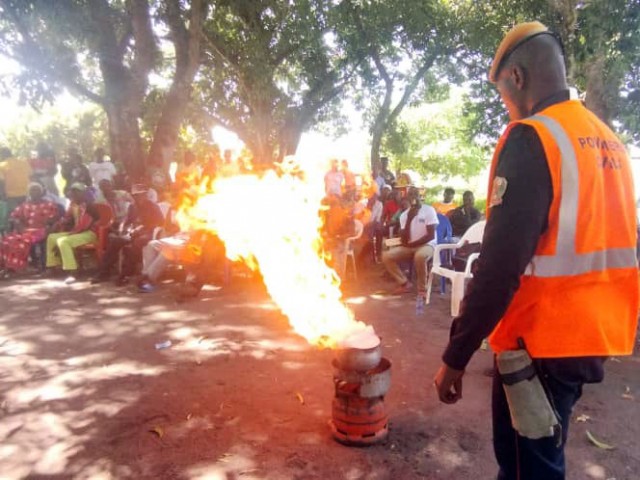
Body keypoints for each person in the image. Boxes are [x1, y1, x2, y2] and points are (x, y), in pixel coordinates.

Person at [433, 22, 638, 480]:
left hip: (540, 343)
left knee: (530, 470)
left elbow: (500, 266)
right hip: (593, 335)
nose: (506, 108)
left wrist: (455, 356)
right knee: (539, 460)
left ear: (518, 78)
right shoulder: (610, 143)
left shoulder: (534, 137)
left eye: (503, 94)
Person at [91, 184, 164, 284]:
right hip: (133, 232)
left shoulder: (153, 207)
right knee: (116, 241)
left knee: (136, 244)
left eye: (141, 195)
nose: (138, 197)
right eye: (136, 195)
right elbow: (127, 221)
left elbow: (160, 223)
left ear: (145, 195)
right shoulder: (133, 207)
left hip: (149, 233)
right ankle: (104, 272)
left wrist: (141, 229)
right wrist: (125, 229)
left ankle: (125, 275)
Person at [381, 186, 438, 296]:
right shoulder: (404, 215)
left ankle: (422, 289)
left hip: (427, 245)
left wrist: (412, 244)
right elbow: (404, 238)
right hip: (410, 245)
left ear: (420, 196)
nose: (413, 196)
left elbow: (430, 235)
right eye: (410, 194)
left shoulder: (429, 210)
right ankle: (404, 283)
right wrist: (410, 219)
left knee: (419, 256)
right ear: (407, 197)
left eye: (415, 194)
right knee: (386, 256)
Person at [0, 182, 60, 274]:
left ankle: (21, 266)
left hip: (42, 231)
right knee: (8, 240)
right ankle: (9, 267)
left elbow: (55, 218)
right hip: (26, 231)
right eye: (32, 191)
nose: (34, 192)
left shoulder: (49, 204)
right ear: (28, 193)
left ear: (41, 192)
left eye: (37, 190)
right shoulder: (24, 205)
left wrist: (48, 227)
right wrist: (19, 225)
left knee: (22, 242)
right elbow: (14, 217)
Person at [45, 183, 99, 283]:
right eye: (73, 191)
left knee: (63, 241)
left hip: (89, 233)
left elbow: (84, 226)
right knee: (52, 237)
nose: (74, 194)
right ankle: (54, 267)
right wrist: (57, 224)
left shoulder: (89, 205)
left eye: (77, 192)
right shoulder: (73, 204)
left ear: (83, 193)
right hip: (77, 232)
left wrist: (70, 234)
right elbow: (67, 218)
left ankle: (73, 271)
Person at [0, 147, 32, 214]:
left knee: (14, 215)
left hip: (10, 195)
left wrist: (2, 195)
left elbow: (1, 182)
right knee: (26, 214)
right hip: (26, 193)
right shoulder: (24, 163)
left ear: (2, 155)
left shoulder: (2, 166)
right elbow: (31, 176)